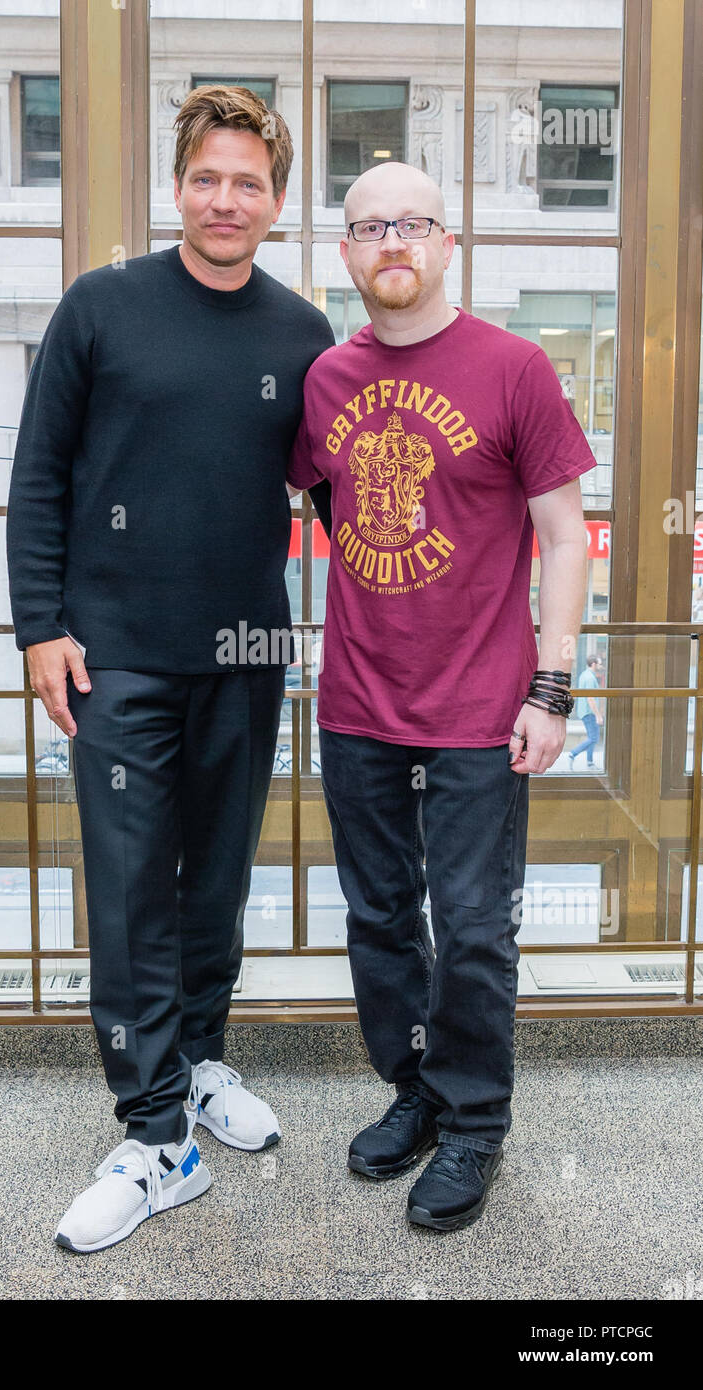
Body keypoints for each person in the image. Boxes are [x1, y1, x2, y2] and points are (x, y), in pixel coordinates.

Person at [6, 85, 335, 1254]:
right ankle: (154, 1138)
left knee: (216, 890)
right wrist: (38, 626)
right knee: (137, 895)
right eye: (208, 177)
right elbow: (38, 476)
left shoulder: (304, 335)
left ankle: (194, 1065)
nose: (226, 199)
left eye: (249, 182)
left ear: (277, 203)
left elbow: (348, 503)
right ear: (178, 185)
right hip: (116, 662)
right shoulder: (101, 308)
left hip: (246, 656)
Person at [287, 162, 596, 1232]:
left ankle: (473, 1123)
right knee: (378, 916)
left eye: (410, 223)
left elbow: (565, 536)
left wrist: (551, 687)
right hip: (357, 702)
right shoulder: (327, 378)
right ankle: (415, 1085)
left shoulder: (514, 368)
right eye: (369, 228)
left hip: (481, 705)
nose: (391, 244)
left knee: (469, 925)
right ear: (347, 254)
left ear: (447, 241)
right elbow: (332, 505)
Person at [568, 655, 604, 769]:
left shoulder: (585, 674)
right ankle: (573, 753)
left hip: (585, 712)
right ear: (593, 664)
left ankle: (590, 762)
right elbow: (590, 698)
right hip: (589, 713)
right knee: (594, 738)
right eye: (599, 663)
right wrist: (598, 715)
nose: (601, 666)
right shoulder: (590, 678)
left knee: (592, 737)